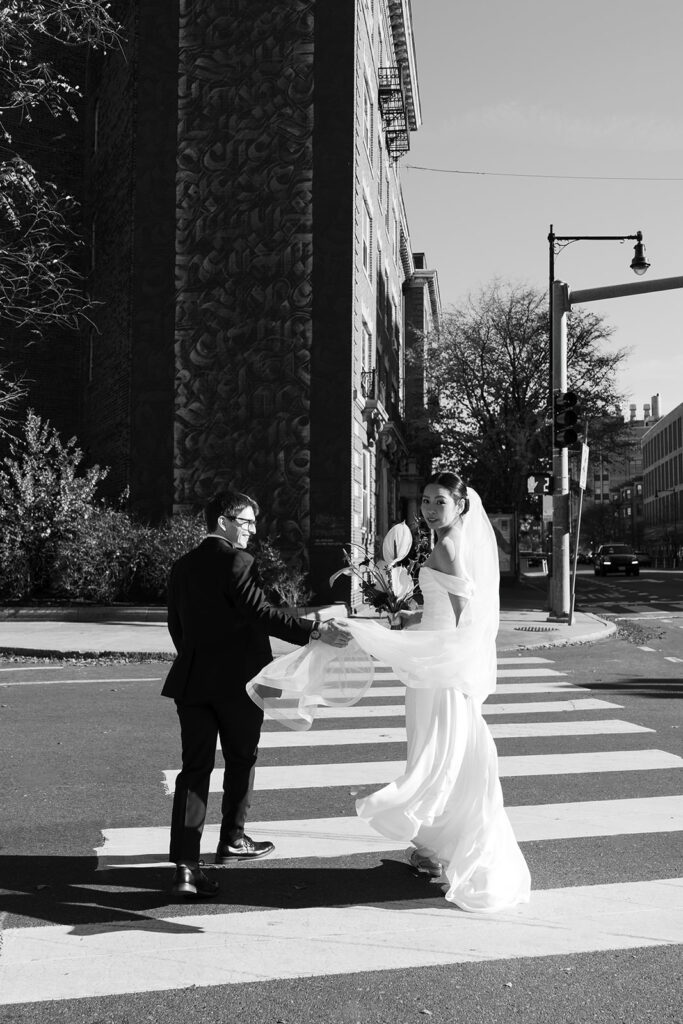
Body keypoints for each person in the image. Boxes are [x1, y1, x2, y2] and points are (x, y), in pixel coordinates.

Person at [247, 472, 531, 913]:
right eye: (426, 501)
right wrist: (407, 620)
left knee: (438, 758)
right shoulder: (447, 543)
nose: (430, 509)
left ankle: (434, 837)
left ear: (461, 506)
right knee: (454, 756)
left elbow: (459, 624)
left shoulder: (450, 547)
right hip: (434, 668)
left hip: (438, 673)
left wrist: (386, 636)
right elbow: (442, 614)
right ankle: (439, 850)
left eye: (440, 502)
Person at [162, 489, 350, 899]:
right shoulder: (238, 560)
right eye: (246, 522)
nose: (251, 530)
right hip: (239, 684)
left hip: (192, 682)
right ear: (224, 521)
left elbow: (177, 627)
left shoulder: (182, 566)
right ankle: (232, 839)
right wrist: (314, 631)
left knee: (193, 770)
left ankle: (185, 867)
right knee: (241, 758)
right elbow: (259, 613)